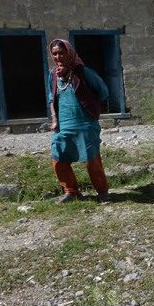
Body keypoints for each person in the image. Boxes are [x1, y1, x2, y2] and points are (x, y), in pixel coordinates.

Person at [47, 38, 112, 204]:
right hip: (63, 125)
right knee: (58, 159)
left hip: (85, 124)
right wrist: (55, 118)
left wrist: (89, 104)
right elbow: (51, 99)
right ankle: (72, 192)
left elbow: (103, 92)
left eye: (61, 53)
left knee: (92, 161)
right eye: (55, 54)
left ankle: (103, 193)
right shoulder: (53, 75)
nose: (58, 57)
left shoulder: (84, 72)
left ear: (69, 53)